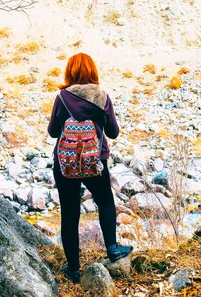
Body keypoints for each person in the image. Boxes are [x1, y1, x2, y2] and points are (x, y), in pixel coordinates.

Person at [47, 52, 132, 283]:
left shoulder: (62, 98)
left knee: (70, 212)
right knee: (105, 201)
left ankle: (74, 270)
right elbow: (113, 132)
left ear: (70, 72)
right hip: (96, 161)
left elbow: (53, 132)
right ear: (92, 71)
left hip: (65, 163)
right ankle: (113, 250)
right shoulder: (102, 96)